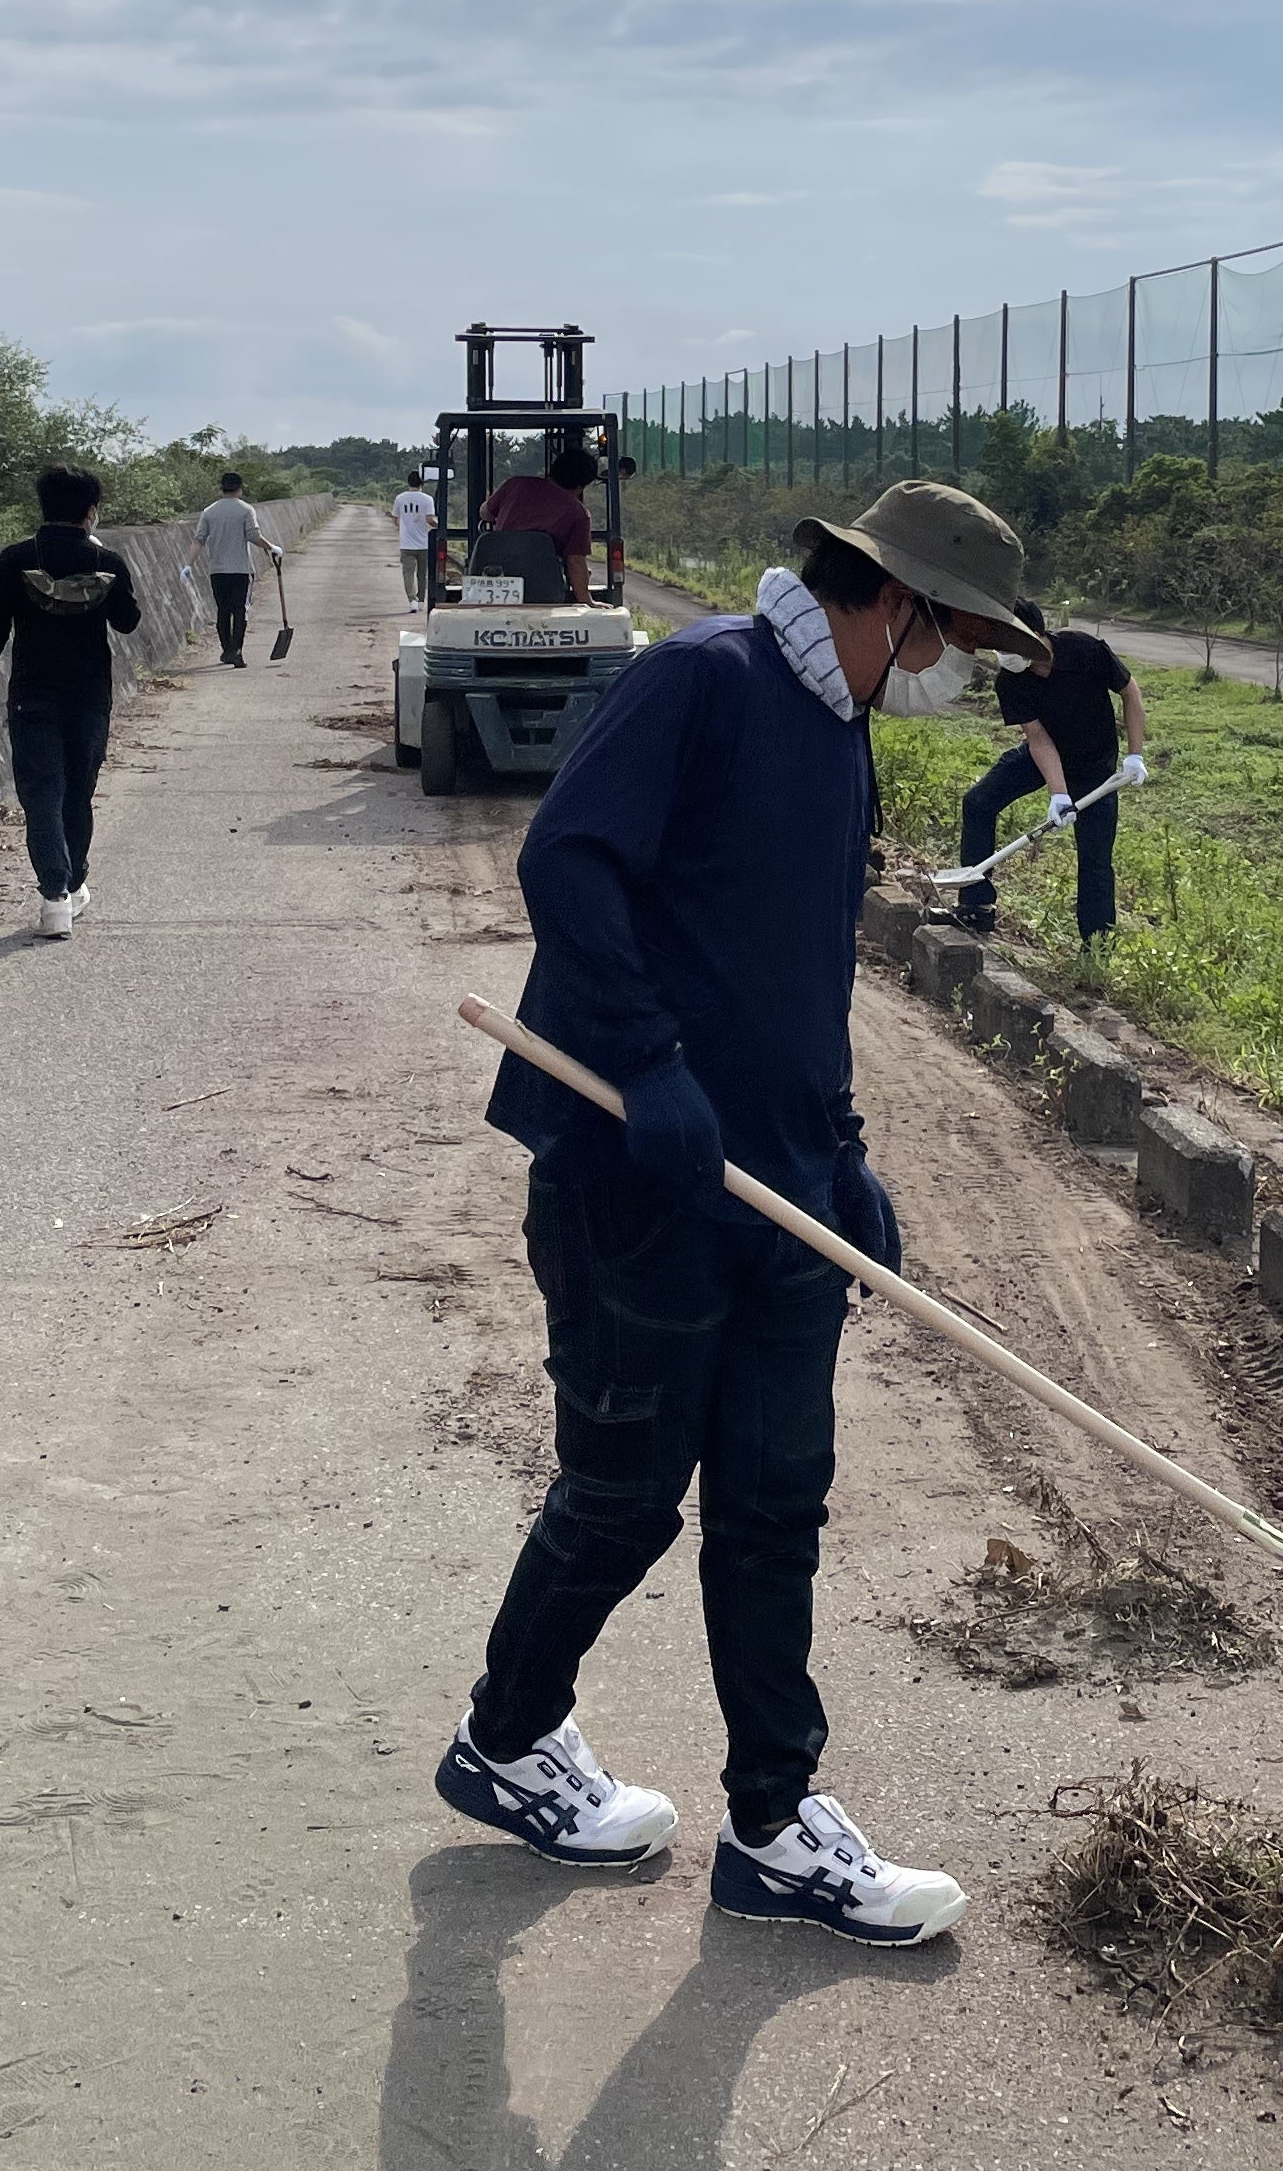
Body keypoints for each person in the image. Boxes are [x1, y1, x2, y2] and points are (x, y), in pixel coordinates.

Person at [438, 482, 1048, 1944]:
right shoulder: (702, 680)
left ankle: (775, 1826)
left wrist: (842, 1154)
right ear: (892, 600)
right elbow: (567, 858)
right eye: (958, 639)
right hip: (634, 1178)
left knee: (776, 1507)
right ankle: (506, 1741)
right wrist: (646, 1064)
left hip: (775, 1189)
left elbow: (798, 976)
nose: (957, 672)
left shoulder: (840, 733)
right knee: (626, 1495)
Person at [0, 464, 141, 940]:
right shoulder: (108, 561)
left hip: (32, 694)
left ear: (42, 506)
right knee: (78, 790)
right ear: (91, 511)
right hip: (89, 695)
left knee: (43, 792)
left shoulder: (15, 559)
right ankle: (75, 880)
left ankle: (55, 896)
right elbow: (128, 622)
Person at [952, 597, 1148, 942]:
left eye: (1009, 643)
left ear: (1036, 636)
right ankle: (976, 907)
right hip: (1042, 754)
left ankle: (1096, 945)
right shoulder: (1010, 681)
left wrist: (1135, 755)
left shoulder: (1085, 650)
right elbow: (1038, 738)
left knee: (1095, 857)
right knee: (979, 803)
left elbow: (1130, 693)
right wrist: (1059, 792)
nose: (1004, 654)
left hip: (1095, 764)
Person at [477, 443, 600, 601]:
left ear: (552, 470)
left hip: (496, 581)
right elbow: (575, 561)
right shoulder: (578, 513)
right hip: (544, 588)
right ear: (581, 486)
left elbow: (485, 513)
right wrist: (586, 600)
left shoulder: (515, 484)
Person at [196, 470, 282, 666]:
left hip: (217, 570)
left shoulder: (209, 511)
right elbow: (253, 536)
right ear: (240, 489)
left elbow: (199, 538)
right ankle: (236, 651)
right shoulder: (245, 509)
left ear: (221, 488)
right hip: (241, 570)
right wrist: (272, 547)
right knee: (240, 610)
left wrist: (188, 564)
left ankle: (226, 650)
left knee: (223, 610)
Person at [393, 467, 440, 606]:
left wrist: (403, 527)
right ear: (422, 483)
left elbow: (396, 519)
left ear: (408, 482)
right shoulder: (428, 499)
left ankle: (412, 600)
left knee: (408, 574)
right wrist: (440, 525)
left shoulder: (400, 498)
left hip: (406, 544)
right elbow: (430, 520)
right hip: (423, 543)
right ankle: (421, 601)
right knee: (422, 574)